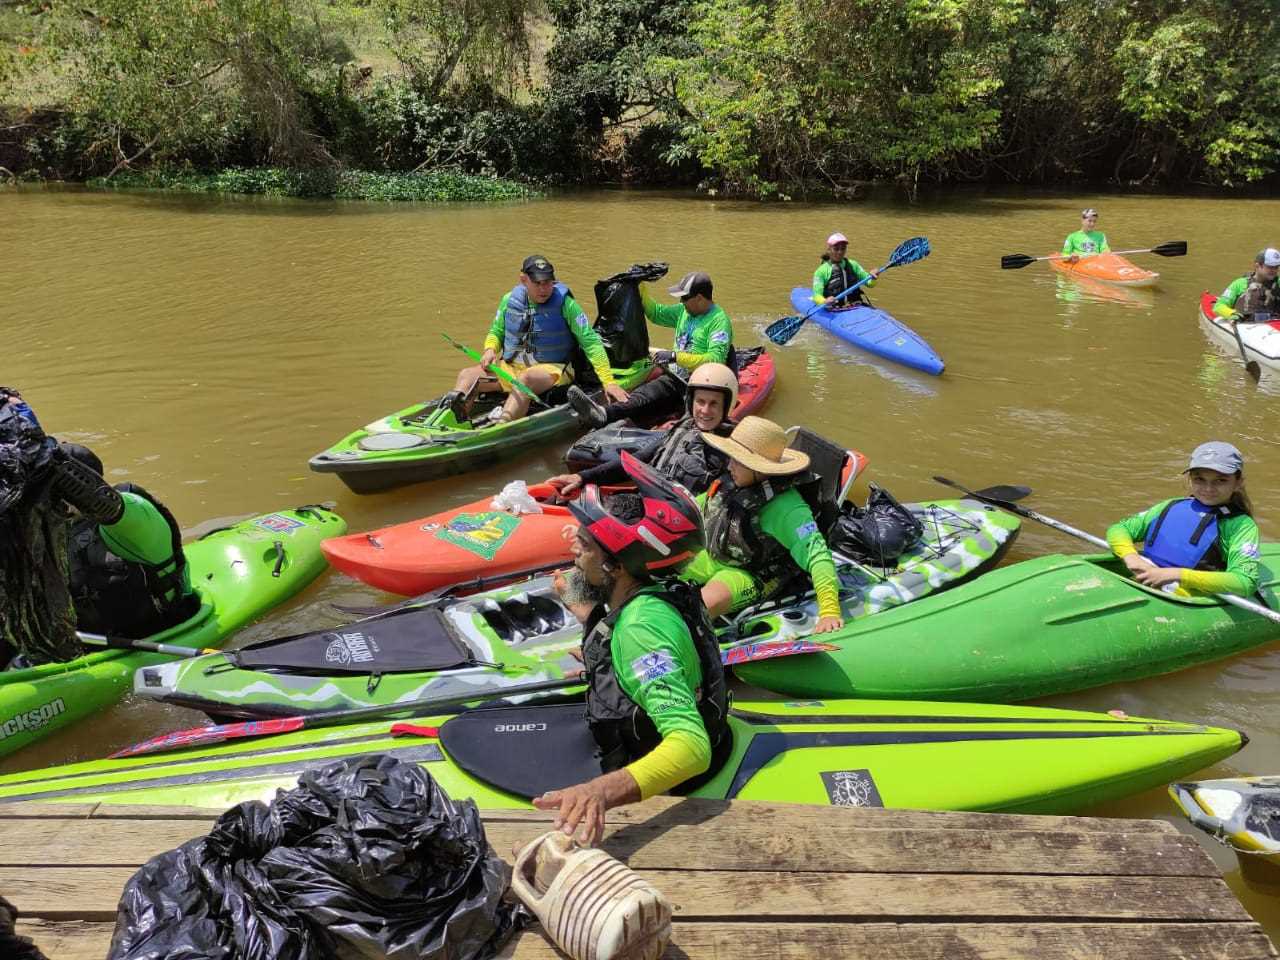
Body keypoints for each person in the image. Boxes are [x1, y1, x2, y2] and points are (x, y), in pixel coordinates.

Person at [533, 453, 731, 845]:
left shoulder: (641, 631)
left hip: (656, 764)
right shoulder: (655, 591)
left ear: (617, 567)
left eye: (586, 544)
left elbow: (691, 748)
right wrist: (603, 664)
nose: (574, 545)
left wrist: (597, 793)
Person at [681, 416, 845, 634]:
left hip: (747, 574)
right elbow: (698, 507)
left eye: (737, 460)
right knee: (655, 572)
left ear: (759, 467)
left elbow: (818, 555)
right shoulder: (735, 479)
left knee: (698, 608)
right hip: (711, 554)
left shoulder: (787, 507)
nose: (729, 465)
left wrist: (829, 612)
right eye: (731, 457)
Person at [446, 255, 628, 424]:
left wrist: (608, 382)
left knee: (525, 379)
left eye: (548, 282)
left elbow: (591, 343)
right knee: (467, 376)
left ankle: (502, 426)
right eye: (537, 283)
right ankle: (455, 423)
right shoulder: (509, 300)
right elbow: (497, 331)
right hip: (511, 368)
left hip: (553, 371)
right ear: (523, 280)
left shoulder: (567, 305)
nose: (543, 289)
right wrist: (490, 349)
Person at [60, 443, 200, 640]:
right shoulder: (53, 533)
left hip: (160, 634)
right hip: (90, 643)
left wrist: (50, 467)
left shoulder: (136, 515)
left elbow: (105, 504)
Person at [567, 270, 733, 429]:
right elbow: (656, 313)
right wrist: (639, 285)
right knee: (644, 395)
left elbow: (715, 359)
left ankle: (607, 415)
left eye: (684, 298)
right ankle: (603, 413)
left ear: (699, 298)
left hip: (700, 383)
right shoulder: (685, 311)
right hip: (675, 376)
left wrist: (675, 356)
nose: (681, 302)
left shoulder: (719, 321)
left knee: (663, 405)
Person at [546, 363, 737, 497]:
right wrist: (582, 477)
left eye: (713, 404)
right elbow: (637, 461)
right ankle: (606, 414)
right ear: (691, 402)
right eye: (700, 402)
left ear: (726, 407)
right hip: (648, 503)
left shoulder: (730, 453)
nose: (704, 410)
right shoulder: (684, 428)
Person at [1106, 441, 1260, 599]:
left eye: (1221, 480)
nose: (1208, 488)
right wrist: (1130, 556)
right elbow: (1119, 529)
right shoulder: (1171, 505)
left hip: (1185, 599)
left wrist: (1176, 575)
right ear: (1189, 479)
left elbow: (1245, 582)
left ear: (1238, 483)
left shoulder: (1241, 526)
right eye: (1199, 479)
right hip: (1143, 581)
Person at [811, 232, 878, 307]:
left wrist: (873, 277)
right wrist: (824, 301)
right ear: (829, 249)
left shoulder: (853, 265)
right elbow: (816, 296)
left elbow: (870, 284)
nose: (840, 252)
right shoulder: (821, 271)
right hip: (833, 307)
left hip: (855, 305)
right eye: (836, 249)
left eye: (843, 248)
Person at [1213, 248, 1280, 321]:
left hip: (1274, 323)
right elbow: (1219, 306)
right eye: (1270, 267)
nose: (1274, 270)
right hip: (1245, 324)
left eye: (1276, 267)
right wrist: (1232, 314)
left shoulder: (1278, 282)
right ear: (1257, 266)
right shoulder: (1240, 284)